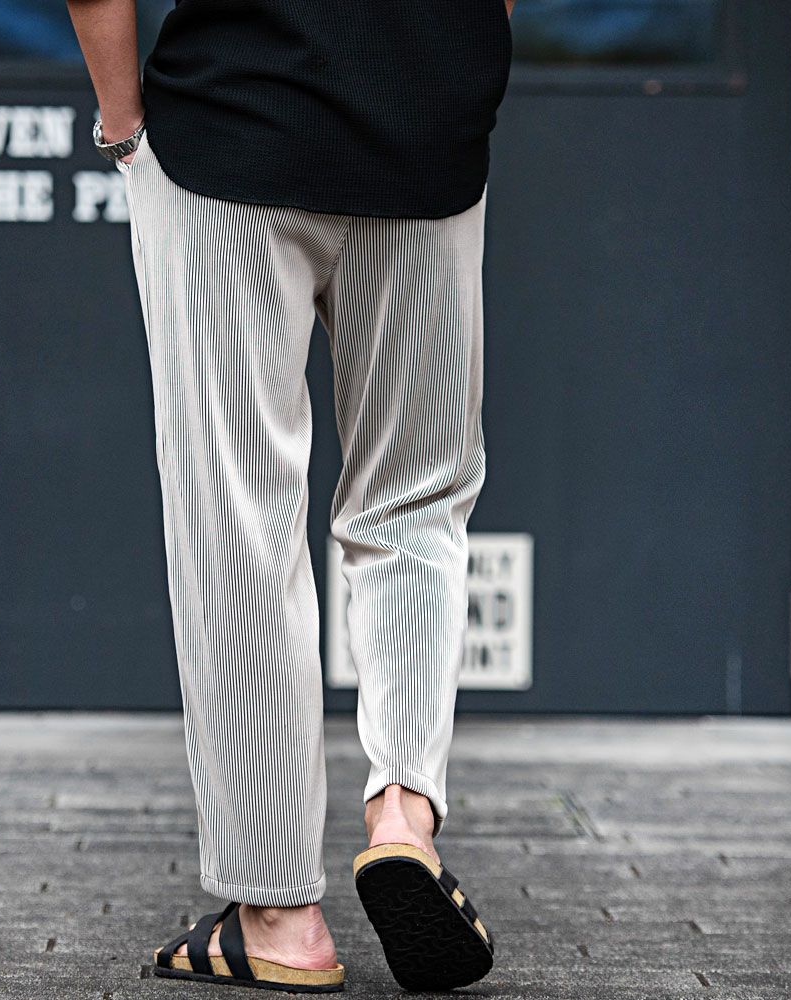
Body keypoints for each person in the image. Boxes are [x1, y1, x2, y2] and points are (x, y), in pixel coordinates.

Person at [67, 0, 514, 991]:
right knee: (414, 501)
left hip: (231, 124)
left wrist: (124, 129)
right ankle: (403, 815)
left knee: (238, 520)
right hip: (426, 133)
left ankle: (278, 913)